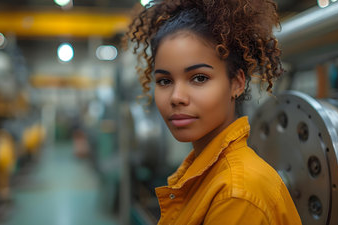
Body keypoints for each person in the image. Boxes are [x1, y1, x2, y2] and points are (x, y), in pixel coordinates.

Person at [125, 0, 302, 224]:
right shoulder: (201, 175)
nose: (176, 97)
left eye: (199, 78)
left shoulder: (237, 194)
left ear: (237, 83)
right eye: (165, 80)